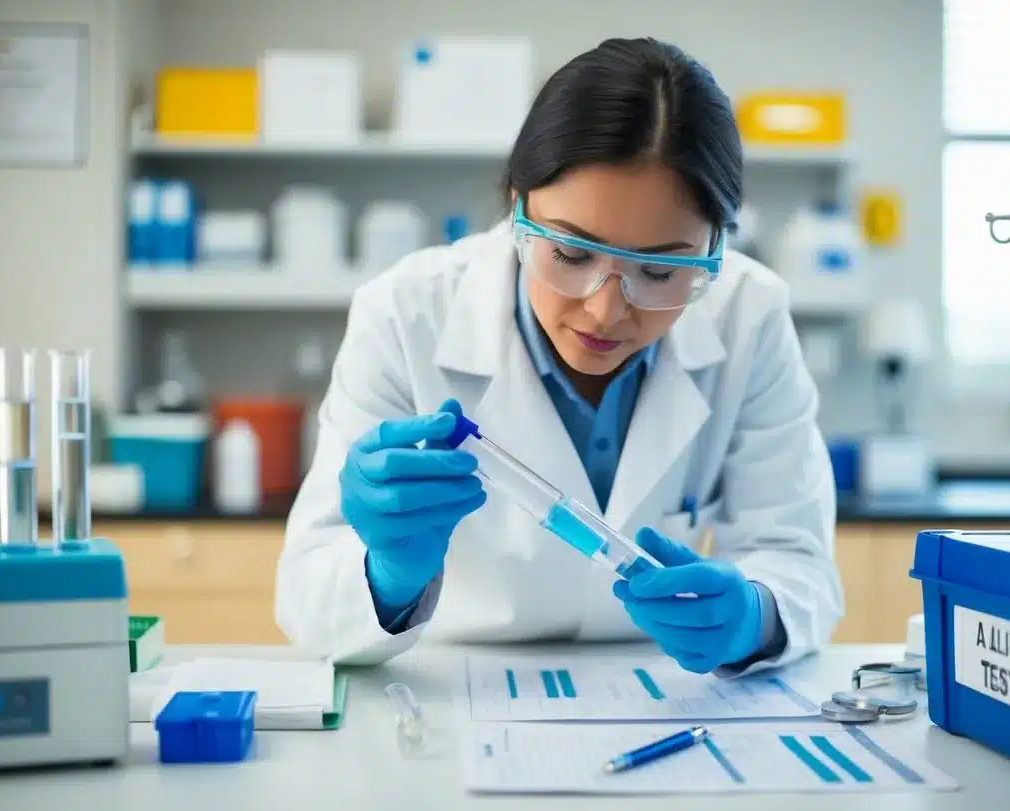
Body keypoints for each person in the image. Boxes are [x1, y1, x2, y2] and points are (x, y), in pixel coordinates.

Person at [276, 37, 843, 678]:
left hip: (660, 693)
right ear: (519, 206)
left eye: (660, 271)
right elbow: (308, 599)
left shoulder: (749, 314)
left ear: (715, 248)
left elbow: (797, 561)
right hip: (457, 690)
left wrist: (752, 617)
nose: (606, 310)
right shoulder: (405, 313)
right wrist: (388, 574)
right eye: (572, 255)